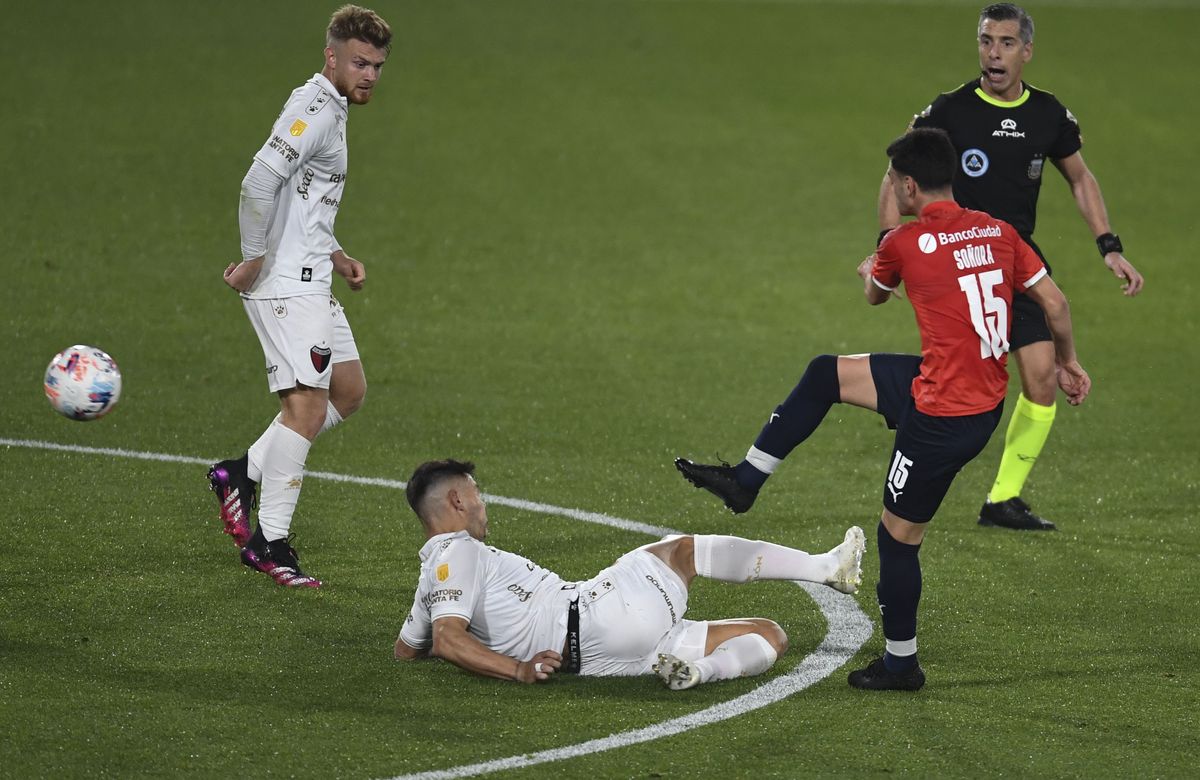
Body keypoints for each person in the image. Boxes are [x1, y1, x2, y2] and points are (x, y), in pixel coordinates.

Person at [676, 128, 1090, 689]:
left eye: (894, 180)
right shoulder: (999, 230)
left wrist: (876, 261)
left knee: (897, 539)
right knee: (828, 373)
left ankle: (901, 664)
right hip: (966, 390)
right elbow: (1056, 303)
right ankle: (747, 478)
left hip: (942, 417)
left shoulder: (904, 242)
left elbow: (874, 293)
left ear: (909, 185)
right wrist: (1067, 361)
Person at [877, 2, 1142, 531]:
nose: (992, 53)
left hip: (1015, 258)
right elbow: (894, 175)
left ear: (1026, 51)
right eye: (984, 41)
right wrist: (888, 242)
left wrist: (1108, 244)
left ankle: (1002, 499)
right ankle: (916, 472)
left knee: (1042, 380)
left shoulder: (1048, 115)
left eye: (1003, 43)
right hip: (960, 263)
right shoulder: (949, 110)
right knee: (954, 383)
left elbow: (1080, 179)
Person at [393, 459, 866, 689]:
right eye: (476, 494)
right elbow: (447, 641)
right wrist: (517, 667)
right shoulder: (459, 552)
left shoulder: (434, 575)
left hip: (611, 658)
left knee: (770, 633)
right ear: (456, 501)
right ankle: (826, 568)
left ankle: (697, 673)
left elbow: (408, 649)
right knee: (681, 551)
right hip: (596, 617)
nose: (482, 504)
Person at [206, 5, 392, 588]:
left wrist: (336, 253)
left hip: (312, 274)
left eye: (378, 65)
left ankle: (242, 473)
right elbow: (259, 181)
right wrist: (255, 255)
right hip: (286, 284)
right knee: (306, 410)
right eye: (359, 62)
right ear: (330, 56)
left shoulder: (334, 109)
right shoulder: (313, 109)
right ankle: (270, 542)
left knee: (349, 390)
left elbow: (301, 198)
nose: (369, 74)